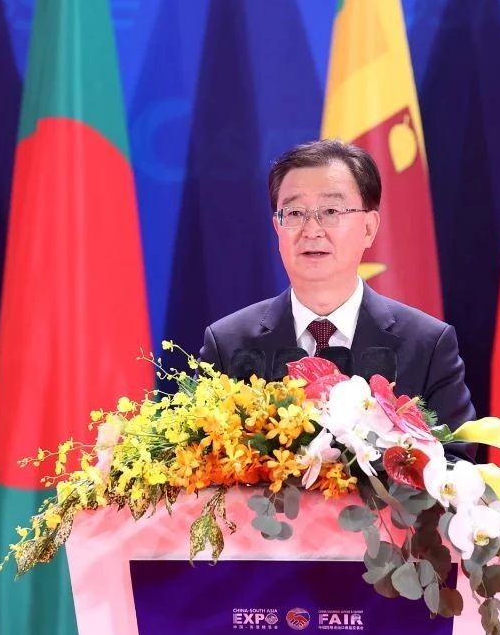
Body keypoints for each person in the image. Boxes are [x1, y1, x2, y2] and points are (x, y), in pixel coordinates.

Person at [199, 138, 475, 432]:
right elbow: (193, 452)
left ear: (368, 228)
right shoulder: (228, 344)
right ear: (277, 227)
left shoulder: (427, 346)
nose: (311, 230)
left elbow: (456, 454)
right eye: (294, 213)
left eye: (331, 212)